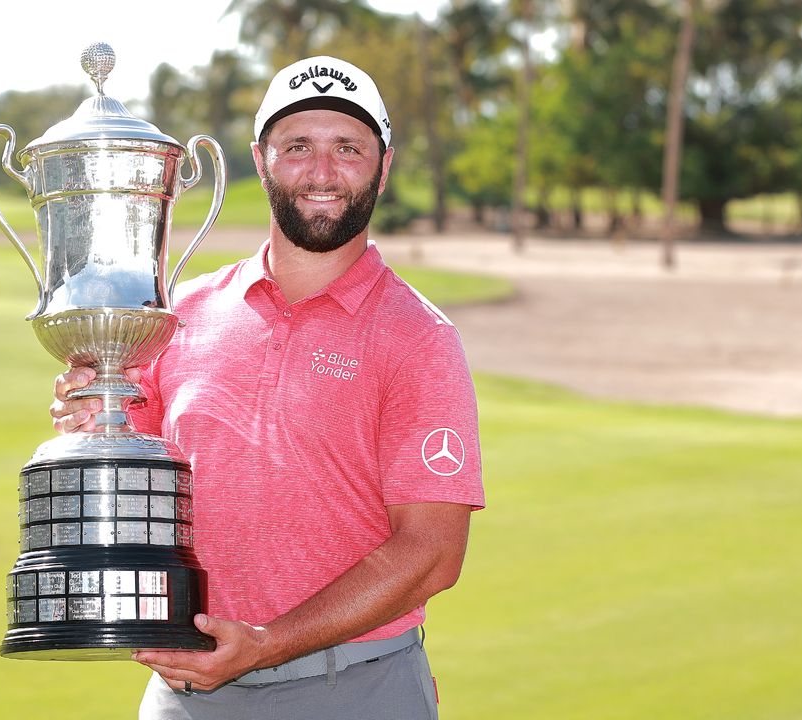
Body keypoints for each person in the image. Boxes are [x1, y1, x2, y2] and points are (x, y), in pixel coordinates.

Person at [51, 56, 484, 720]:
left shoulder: (418, 337)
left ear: (384, 165)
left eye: (347, 148)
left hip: (353, 690)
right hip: (187, 692)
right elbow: (140, 487)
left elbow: (432, 553)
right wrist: (93, 421)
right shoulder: (178, 312)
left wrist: (267, 643)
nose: (322, 171)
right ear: (260, 159)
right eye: (297, 147)